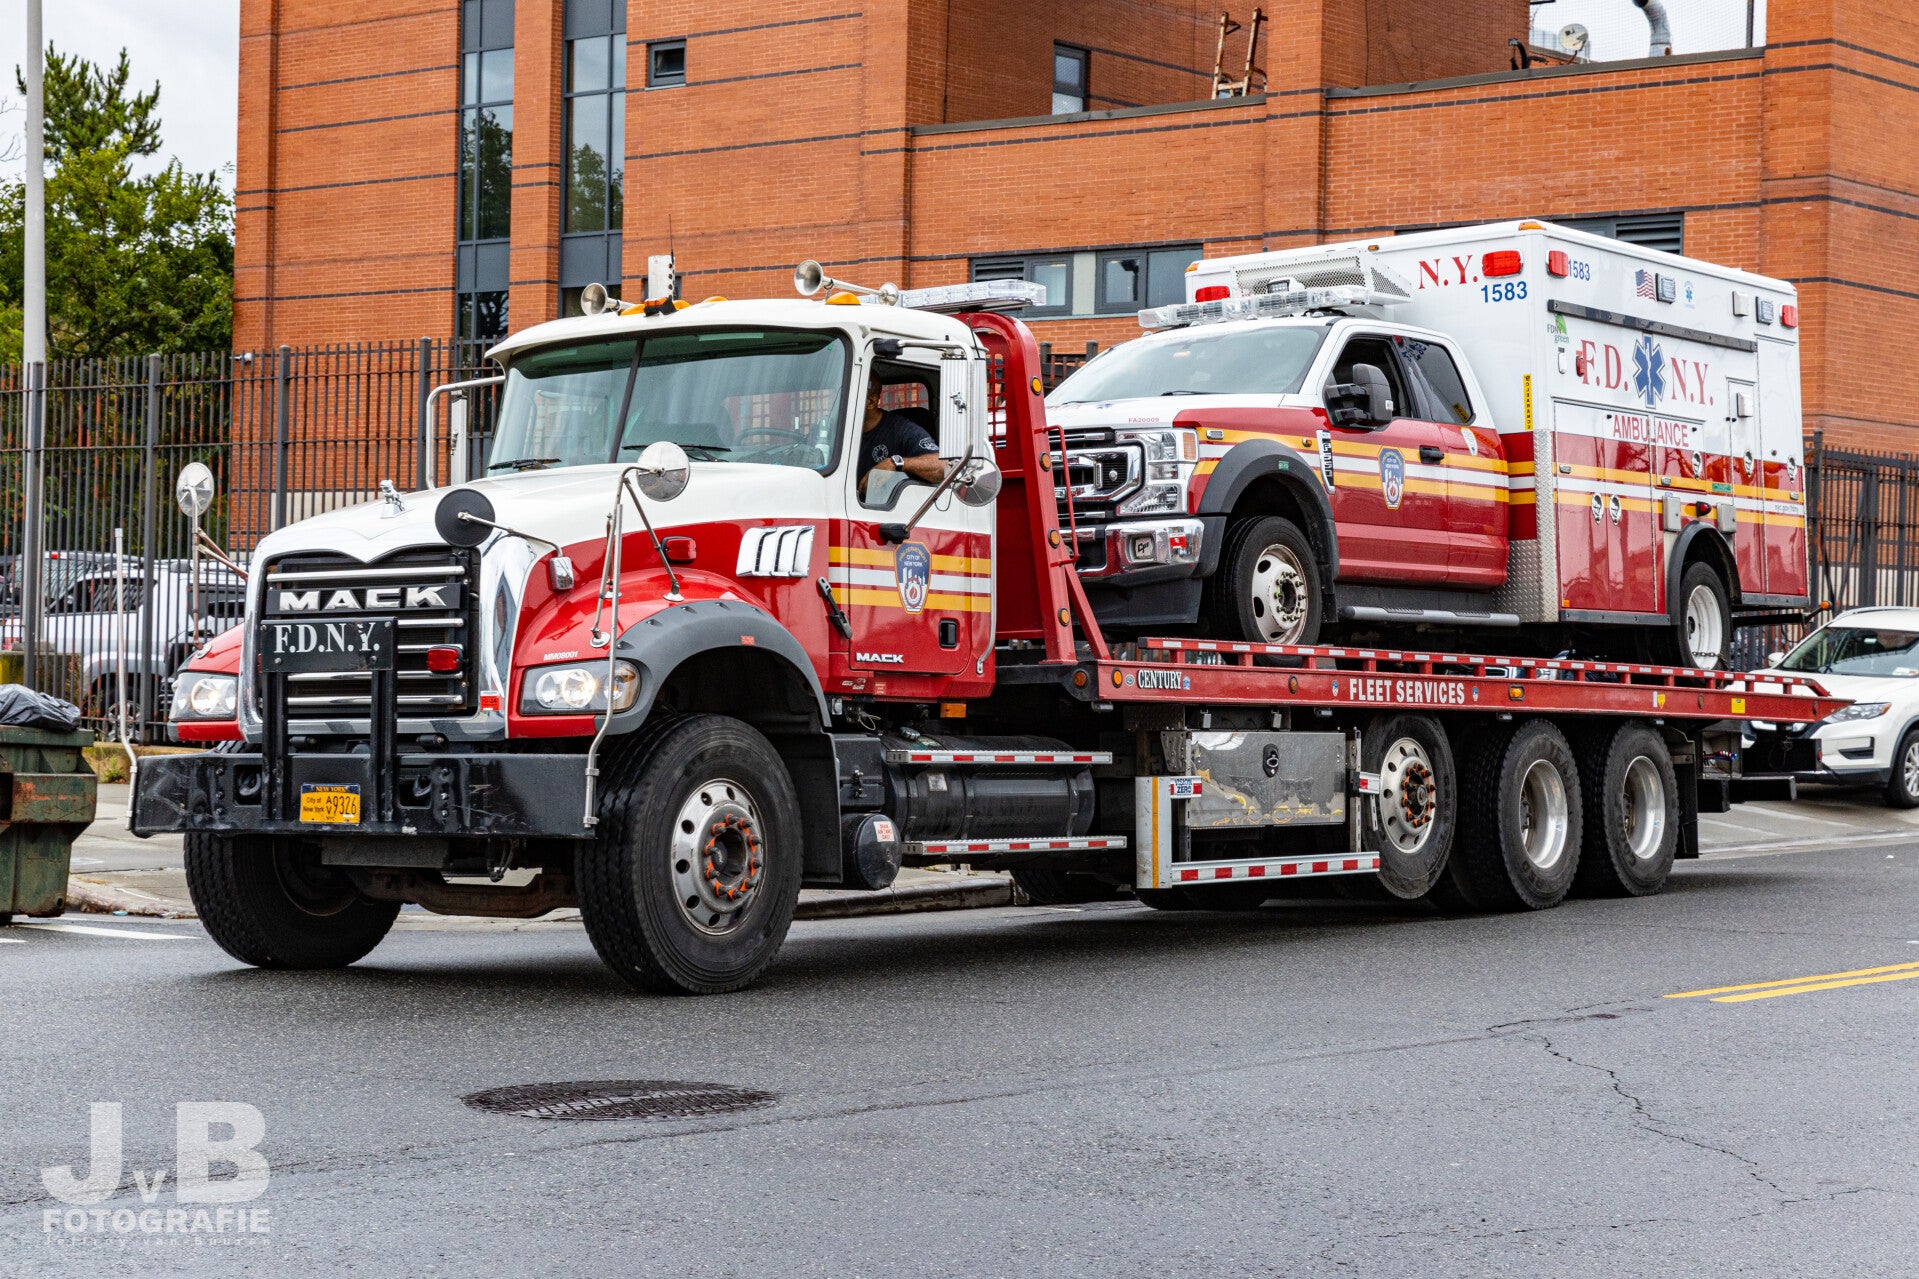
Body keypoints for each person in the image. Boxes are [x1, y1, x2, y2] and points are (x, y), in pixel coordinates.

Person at [857, 379, 944, 496]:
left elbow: (942, 467)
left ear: (871, 402)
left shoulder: (902, 430)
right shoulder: (839, 431)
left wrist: (894, 463)